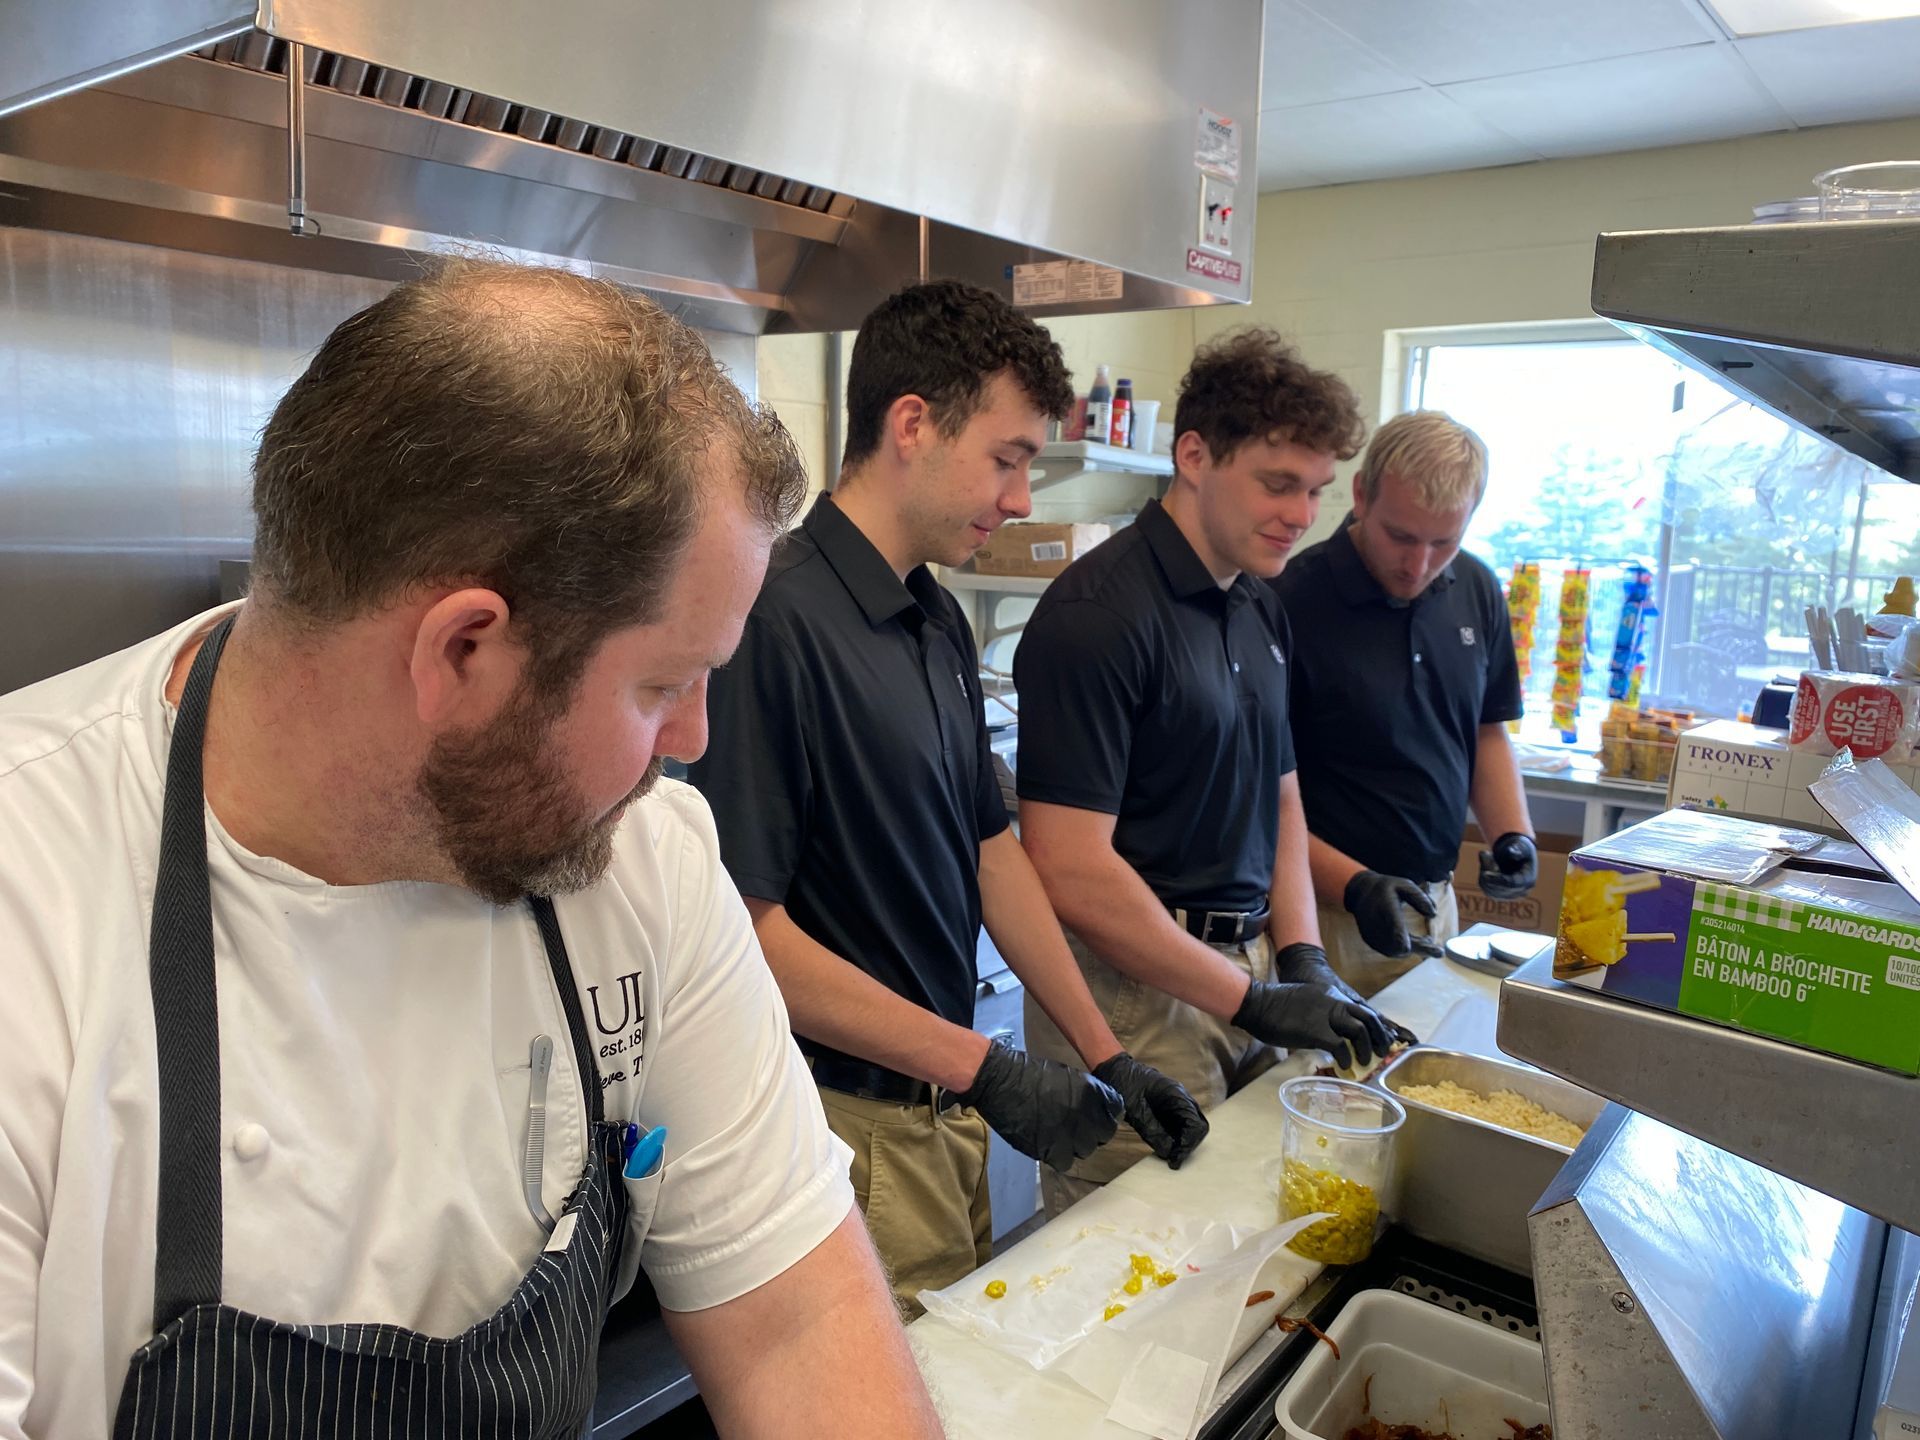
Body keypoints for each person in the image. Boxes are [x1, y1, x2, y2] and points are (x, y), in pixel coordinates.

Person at [0, 259, 943, 1440]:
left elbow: (799, 1329)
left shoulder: (642, 859)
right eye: (664, 685)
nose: (692, 741)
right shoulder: (28, 890)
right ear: (462, 654)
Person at [689, 280, 1207, 1313]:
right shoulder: (773, 622)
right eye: (1008, 458)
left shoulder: (935, 621)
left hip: (944, 1115)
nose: (1020, 498)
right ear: (913, 425)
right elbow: (743, 937)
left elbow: (991, 849)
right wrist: (986, 1067)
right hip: (844, 1129)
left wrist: (1105, 1053)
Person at [1012, 328, 1400, 1214]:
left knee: (1244, 1240)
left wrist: (1299, 959)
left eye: (1316, 491)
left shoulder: (1260, 605)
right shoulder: (1099, 615)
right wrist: (1252, 1000)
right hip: (1135, 997)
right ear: (1193, 456)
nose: (1302, 515)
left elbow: (1282, 793)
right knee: (1132, 1262)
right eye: (1277, 484)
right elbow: (1070, 869)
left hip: (1247, 962)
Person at [1270, 409, 1536, 997]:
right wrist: (1354, 885)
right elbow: (1255, 794)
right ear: (1362, 495)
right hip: (1321, 919)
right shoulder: (1286, 601)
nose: (1418, 564)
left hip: (1435, 907)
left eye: (1444, 541)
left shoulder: (1477, 588)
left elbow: (1485, 733)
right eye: (1401, 536)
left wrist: (1512, 835)